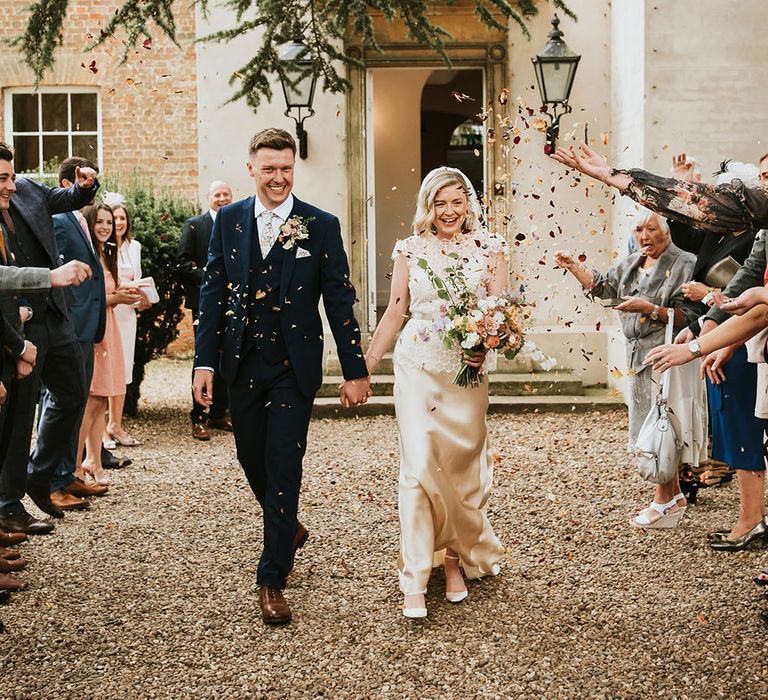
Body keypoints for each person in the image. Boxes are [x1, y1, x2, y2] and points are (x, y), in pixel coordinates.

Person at [193, 128, 371, 625]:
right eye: (269, 168)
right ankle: (287, 524)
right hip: (242, 364)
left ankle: (272, 578)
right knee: (251, 456)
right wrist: (203, 362)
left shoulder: (321, 224)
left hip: (294, 367)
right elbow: (212, 296)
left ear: (295, 168)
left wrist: (354, 369)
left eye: (286, 168)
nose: (278, 177)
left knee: (283, 463)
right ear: (251, 168)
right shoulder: (227, 222)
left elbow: (338, 300)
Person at [364, 167, 506, 618]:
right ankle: (414, 577)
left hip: (467, 371)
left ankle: (453, 562)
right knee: (420, 464)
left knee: (461, 469)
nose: (449, 212)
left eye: (457, 202)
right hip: (417, 366)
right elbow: (396, 311)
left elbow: (499, 313)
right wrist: (364, 368)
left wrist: (486, 346)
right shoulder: (409, 249)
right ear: (429, 206)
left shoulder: (492, 248)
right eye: (440, 203)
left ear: (469, 204)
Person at [554, 211, 704, 528]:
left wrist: (650, 309)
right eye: (639, 229)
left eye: (652, 229)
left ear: (668, 232)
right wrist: (573, 267)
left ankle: (662, 502)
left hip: (667, 353)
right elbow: (604, 286)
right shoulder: (633, 262)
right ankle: (674, 495)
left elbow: (693, 314)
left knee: (664, 423)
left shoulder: (685, 263)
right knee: (651, 422)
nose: (644, 235)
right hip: (637, 355)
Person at [0, 142, 99, 536]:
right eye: (2, 179)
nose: (9, 185)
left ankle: (37, 476)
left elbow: (68, 197)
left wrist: (85, 187)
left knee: (73, 392)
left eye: (10, 176)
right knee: (20, 415)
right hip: (18, 321)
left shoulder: (26, 189)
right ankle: (8, 507)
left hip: (55, 314)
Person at [40, 157, 111, 513]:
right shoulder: (59, 219)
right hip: (71, 321)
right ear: (68, 183)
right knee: (62, 400)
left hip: (86, 323)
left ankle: (67, 472)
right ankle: (51, 481)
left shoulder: (78, 220)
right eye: (84, 182)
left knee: (77, 399)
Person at [79, 204, 141, 486]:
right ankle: (76, 465)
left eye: (108, 222)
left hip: (111, 326)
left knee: (102, 397)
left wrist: (122, 293)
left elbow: (107, 292)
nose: (105, 226)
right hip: (96, 327)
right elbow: (84, 300)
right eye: (100, 222)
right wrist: (116, 299)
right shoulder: (87, 255)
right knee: (91, 399)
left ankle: (93, 458)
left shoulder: (107, 253)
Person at [177, 180, 233, 440]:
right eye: (217, 194)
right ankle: (199, 417)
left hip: (233, 304)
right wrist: (212, 278)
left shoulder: (238, 224)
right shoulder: (195, 225)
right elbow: (183, 264)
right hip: (204, 302)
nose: (222, 198)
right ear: (208, 198)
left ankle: (220, 412)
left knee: (228, 357)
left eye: (226, 194)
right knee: (204, 357)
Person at [99, 194, 145, 448]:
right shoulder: (104, 247)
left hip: (128, 314)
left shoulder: (134, 246)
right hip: (110, 310)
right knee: (108, 366)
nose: (118, 222)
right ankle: (103, 429)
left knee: (125, 367)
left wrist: (142, 297)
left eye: (122, 218)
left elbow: (136, 278)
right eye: (114, 218)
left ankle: (116, 424)